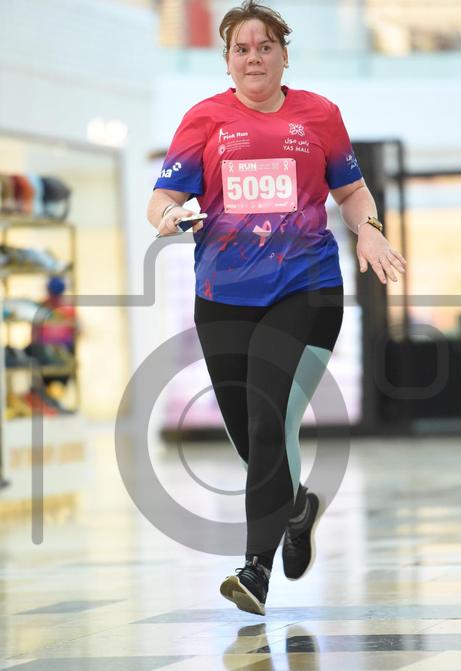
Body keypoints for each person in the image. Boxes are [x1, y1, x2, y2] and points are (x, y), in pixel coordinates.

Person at [147, 0, 406, 616]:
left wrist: (369, 230)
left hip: (304, 290)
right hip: (222, 297)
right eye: (242, 49)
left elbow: (351, 190)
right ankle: (296, 507)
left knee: (269, 422)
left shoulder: (319, 115)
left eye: (265, 46)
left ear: (284, 55)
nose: (254, 57)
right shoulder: (204, 119)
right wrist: (172, 216)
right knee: (249, 434)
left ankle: (255, 570)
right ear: (227, 61)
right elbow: (162, 199)